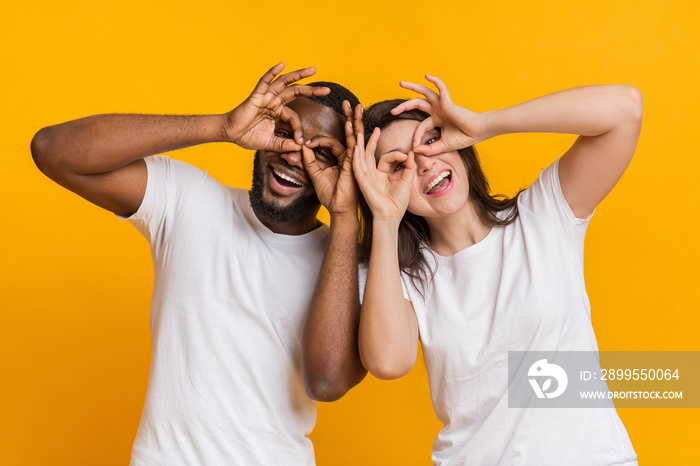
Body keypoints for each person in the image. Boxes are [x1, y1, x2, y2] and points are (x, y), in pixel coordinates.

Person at [30, 63, 366, 465]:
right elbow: (52, 150)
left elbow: (328, 382)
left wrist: (346, 215)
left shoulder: (347, 262)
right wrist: (222, 126)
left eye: (324, 152)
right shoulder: (191, 201)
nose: (295, 155)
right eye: (284, 133)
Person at [352, 76, 642, 465]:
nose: (423, 164)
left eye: (430, 141)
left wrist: (485, 125)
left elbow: (625, 108)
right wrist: (385, 219)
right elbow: (388, 362)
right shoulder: (397, 276)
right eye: (398, 165)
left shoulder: (541, 216)